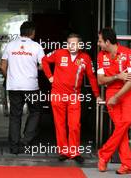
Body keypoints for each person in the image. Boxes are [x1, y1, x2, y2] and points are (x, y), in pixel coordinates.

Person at [42, 33, 101, 163]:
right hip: (58, 94)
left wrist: (97, 95)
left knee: (74, 125)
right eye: (69, 43)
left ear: (80, 45)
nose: (71, 46)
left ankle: (74, 152)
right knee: (60, 124)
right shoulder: (59, 53)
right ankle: (63, 151)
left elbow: (91, 78)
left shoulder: (85, 58)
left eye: (74, 43)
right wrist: (50, 77)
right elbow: (44, 60)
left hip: (74, 96)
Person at [97, 27, 131, 175]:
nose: (99, 43)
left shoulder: (128, 53)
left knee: (124, 123)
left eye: (100, 41)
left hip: (126, 93)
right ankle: (127, 165)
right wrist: (116, 77)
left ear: (107, 42)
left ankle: (104, 155)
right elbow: (101, 80)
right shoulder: (101, 55)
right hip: (111, 92)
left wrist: (117, 96)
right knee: (121, 128)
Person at [0, 21, 45, 154]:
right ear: (32, 32)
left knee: (15, 115)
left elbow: (3, 67)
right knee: (35, 112)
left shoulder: (10, 45)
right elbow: (43, 66)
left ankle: (14, 147)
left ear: (21, 32)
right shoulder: (36, 46)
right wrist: (33, 68)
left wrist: (10, 78)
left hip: (14, 86)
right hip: (31, 86)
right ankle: (26, 140)